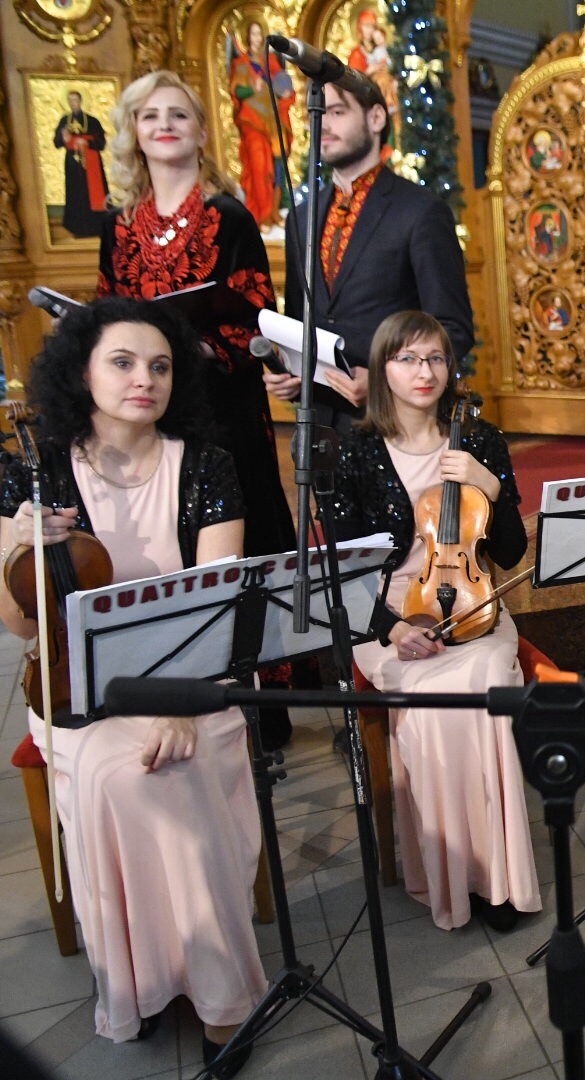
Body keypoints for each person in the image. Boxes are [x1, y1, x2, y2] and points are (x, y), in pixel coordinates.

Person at [0, 298, 263, 1075]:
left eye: (160, 366)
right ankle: (145, 977)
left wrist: (178, 700)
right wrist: (13, 547)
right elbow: (20, 626)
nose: (144, 378)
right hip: (76, 687)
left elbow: (219, 603)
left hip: (193, 677)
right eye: (122, 362)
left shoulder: (207, 466)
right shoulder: (34, 471)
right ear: (81, 371)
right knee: (122, 776)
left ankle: (223, 998)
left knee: (174, 768)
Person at [97, 70, 298, 744]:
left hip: (224, 407)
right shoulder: (119, 226)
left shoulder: (229, 216)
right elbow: (106, 313)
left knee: (241, 541)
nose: (164, 125)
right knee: (167, 540)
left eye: (178, 114)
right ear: (134, 132)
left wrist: (209, 347)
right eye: (150, 115)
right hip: (148, 413)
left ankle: (261, 708)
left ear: (201, 131)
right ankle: (170, 687)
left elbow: (257, 313)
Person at [327, 310, 541, 931]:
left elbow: (510, 554)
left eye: (436, 358)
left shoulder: (480, 440)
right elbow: (342, 571)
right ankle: (453, 871)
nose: (424, 371)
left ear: (450, 368)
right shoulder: (354, 452)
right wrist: (392, 628)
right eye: (407, 359)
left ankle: (497, 879)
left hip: (474, 603)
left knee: (482, 684)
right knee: (431, 703)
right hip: (389, 611)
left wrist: (490, 487)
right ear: (382, 368)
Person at [266, 71, 474, 431]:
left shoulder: (421, 211)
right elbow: (299, 323)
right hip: (319, 428)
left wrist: (383, 380)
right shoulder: (301, 217)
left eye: (336, 112)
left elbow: (452, 329)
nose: (323, 125)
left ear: (376, 117)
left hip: (397, 426)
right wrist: (288, 370)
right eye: (316, 115)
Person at [227, 21, 295, 228]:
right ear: (247, 37)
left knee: (278, 166)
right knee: (259, 166)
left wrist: (285, 92)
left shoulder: (270, 61)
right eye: (253, 34)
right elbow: (237, 91)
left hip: (273, 121)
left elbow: (283, 83)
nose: (256, 38)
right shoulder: (241, 64)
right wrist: (252, 89)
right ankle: (262, 215)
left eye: (259, 34)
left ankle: (274, 212)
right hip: (252, 122)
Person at [53, 90, 108, 238]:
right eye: (70, 100)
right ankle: (77, 228)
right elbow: (57, 142)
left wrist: (86, 142)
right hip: (73, 163)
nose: (73, 103)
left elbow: (101, 143)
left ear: (81, 101)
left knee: (92, 192)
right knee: (76, 193)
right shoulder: (64, 121)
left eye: (75, 100)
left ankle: (97, 227)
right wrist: (63, 138)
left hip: (91, 162)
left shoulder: (92, 121)